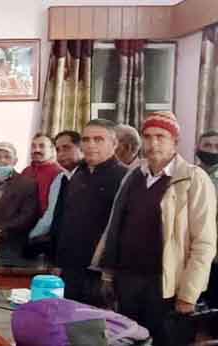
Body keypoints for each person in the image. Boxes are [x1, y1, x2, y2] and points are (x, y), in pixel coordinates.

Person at [93, 111, 217, 346]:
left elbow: (204, 242)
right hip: (127, 279)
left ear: (175, 142)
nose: (153, 143)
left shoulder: (193, 178)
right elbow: (115, 225)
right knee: (127, 341)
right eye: (147, 136)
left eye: (161, 136)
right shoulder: (133, 175)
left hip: (165, 285)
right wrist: (108, 275)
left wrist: (188, 294)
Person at [52, 120, 127, 307]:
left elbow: (121, 231)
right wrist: (58, 263)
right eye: (86, 139)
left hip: (100, 274)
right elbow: (65, 221)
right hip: (70, 270)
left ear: (114, 143)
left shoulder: (125, 178)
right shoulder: (78, 175)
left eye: (98, 139)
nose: (91, 145)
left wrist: (109, 275)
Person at [26, 130, 83, 260]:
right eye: (59, 150)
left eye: (66, 148)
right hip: (51, 238)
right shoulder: (61, 177)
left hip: (64, 242)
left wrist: (30, 236)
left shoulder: (59, 173)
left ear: (81, 149)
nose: (61, 154)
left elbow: (50, 216)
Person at [196, 130, 218, 312]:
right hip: (191, 254)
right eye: (207, 146)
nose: (212, 150)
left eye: (217, 146)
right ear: (198, 148)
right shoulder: (189, 175)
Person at [21, 134, 63, 215]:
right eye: (33, 146)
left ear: (52, 150)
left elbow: (52, 212)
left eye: (42, 146)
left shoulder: (58, 174)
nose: (36, 150)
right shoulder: (26, 171)